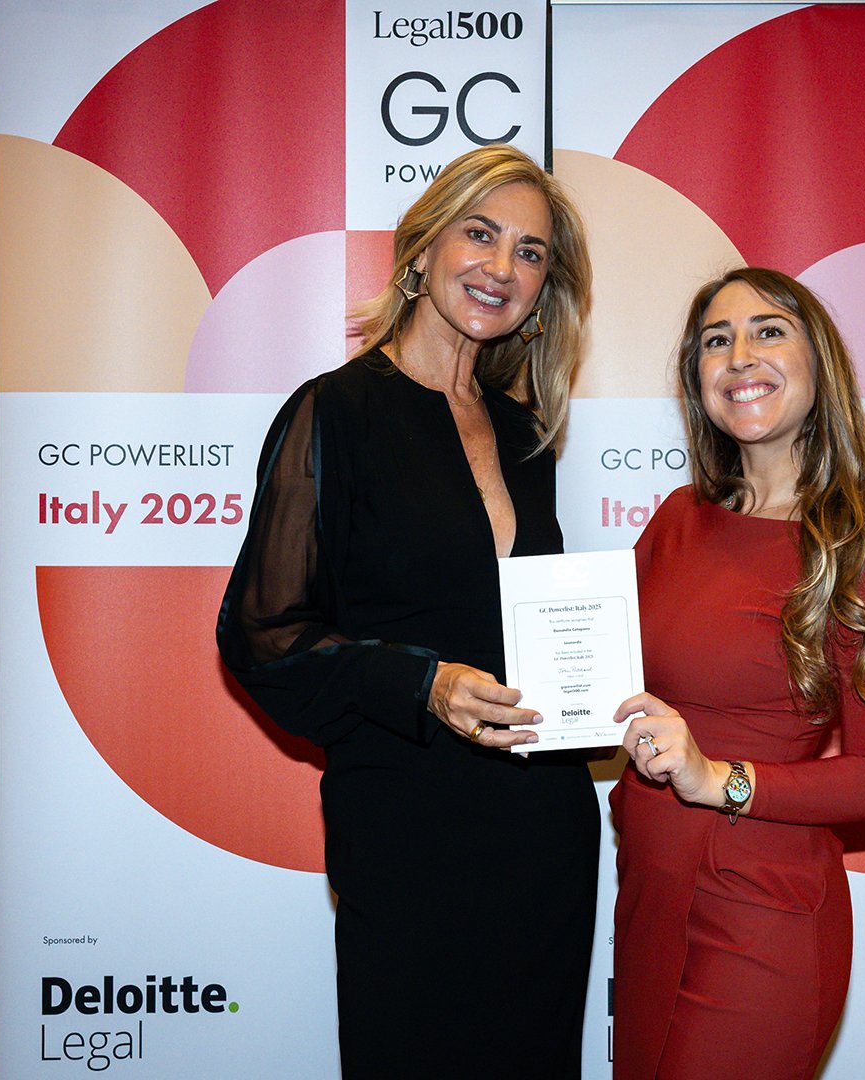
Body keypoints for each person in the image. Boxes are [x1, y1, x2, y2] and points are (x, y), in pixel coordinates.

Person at [217, 145, 597, 1080]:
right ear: (423, 251)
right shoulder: (335, 414)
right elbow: (262, 632)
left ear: (543, 291)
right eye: (480, 235)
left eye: (530, 252)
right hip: (406, 826)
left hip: (543, 829)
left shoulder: (524, 433)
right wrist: (424, 684)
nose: (501, 267)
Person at [610, 267, 865, 1079]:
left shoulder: (864, 550)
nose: (740, 355)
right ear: (699, 379)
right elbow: (609, 677)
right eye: (716, 341)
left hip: (762, 908)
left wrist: (719, 778)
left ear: (818, 364)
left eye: (768, 331)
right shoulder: (677, 519)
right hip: (650, 887)